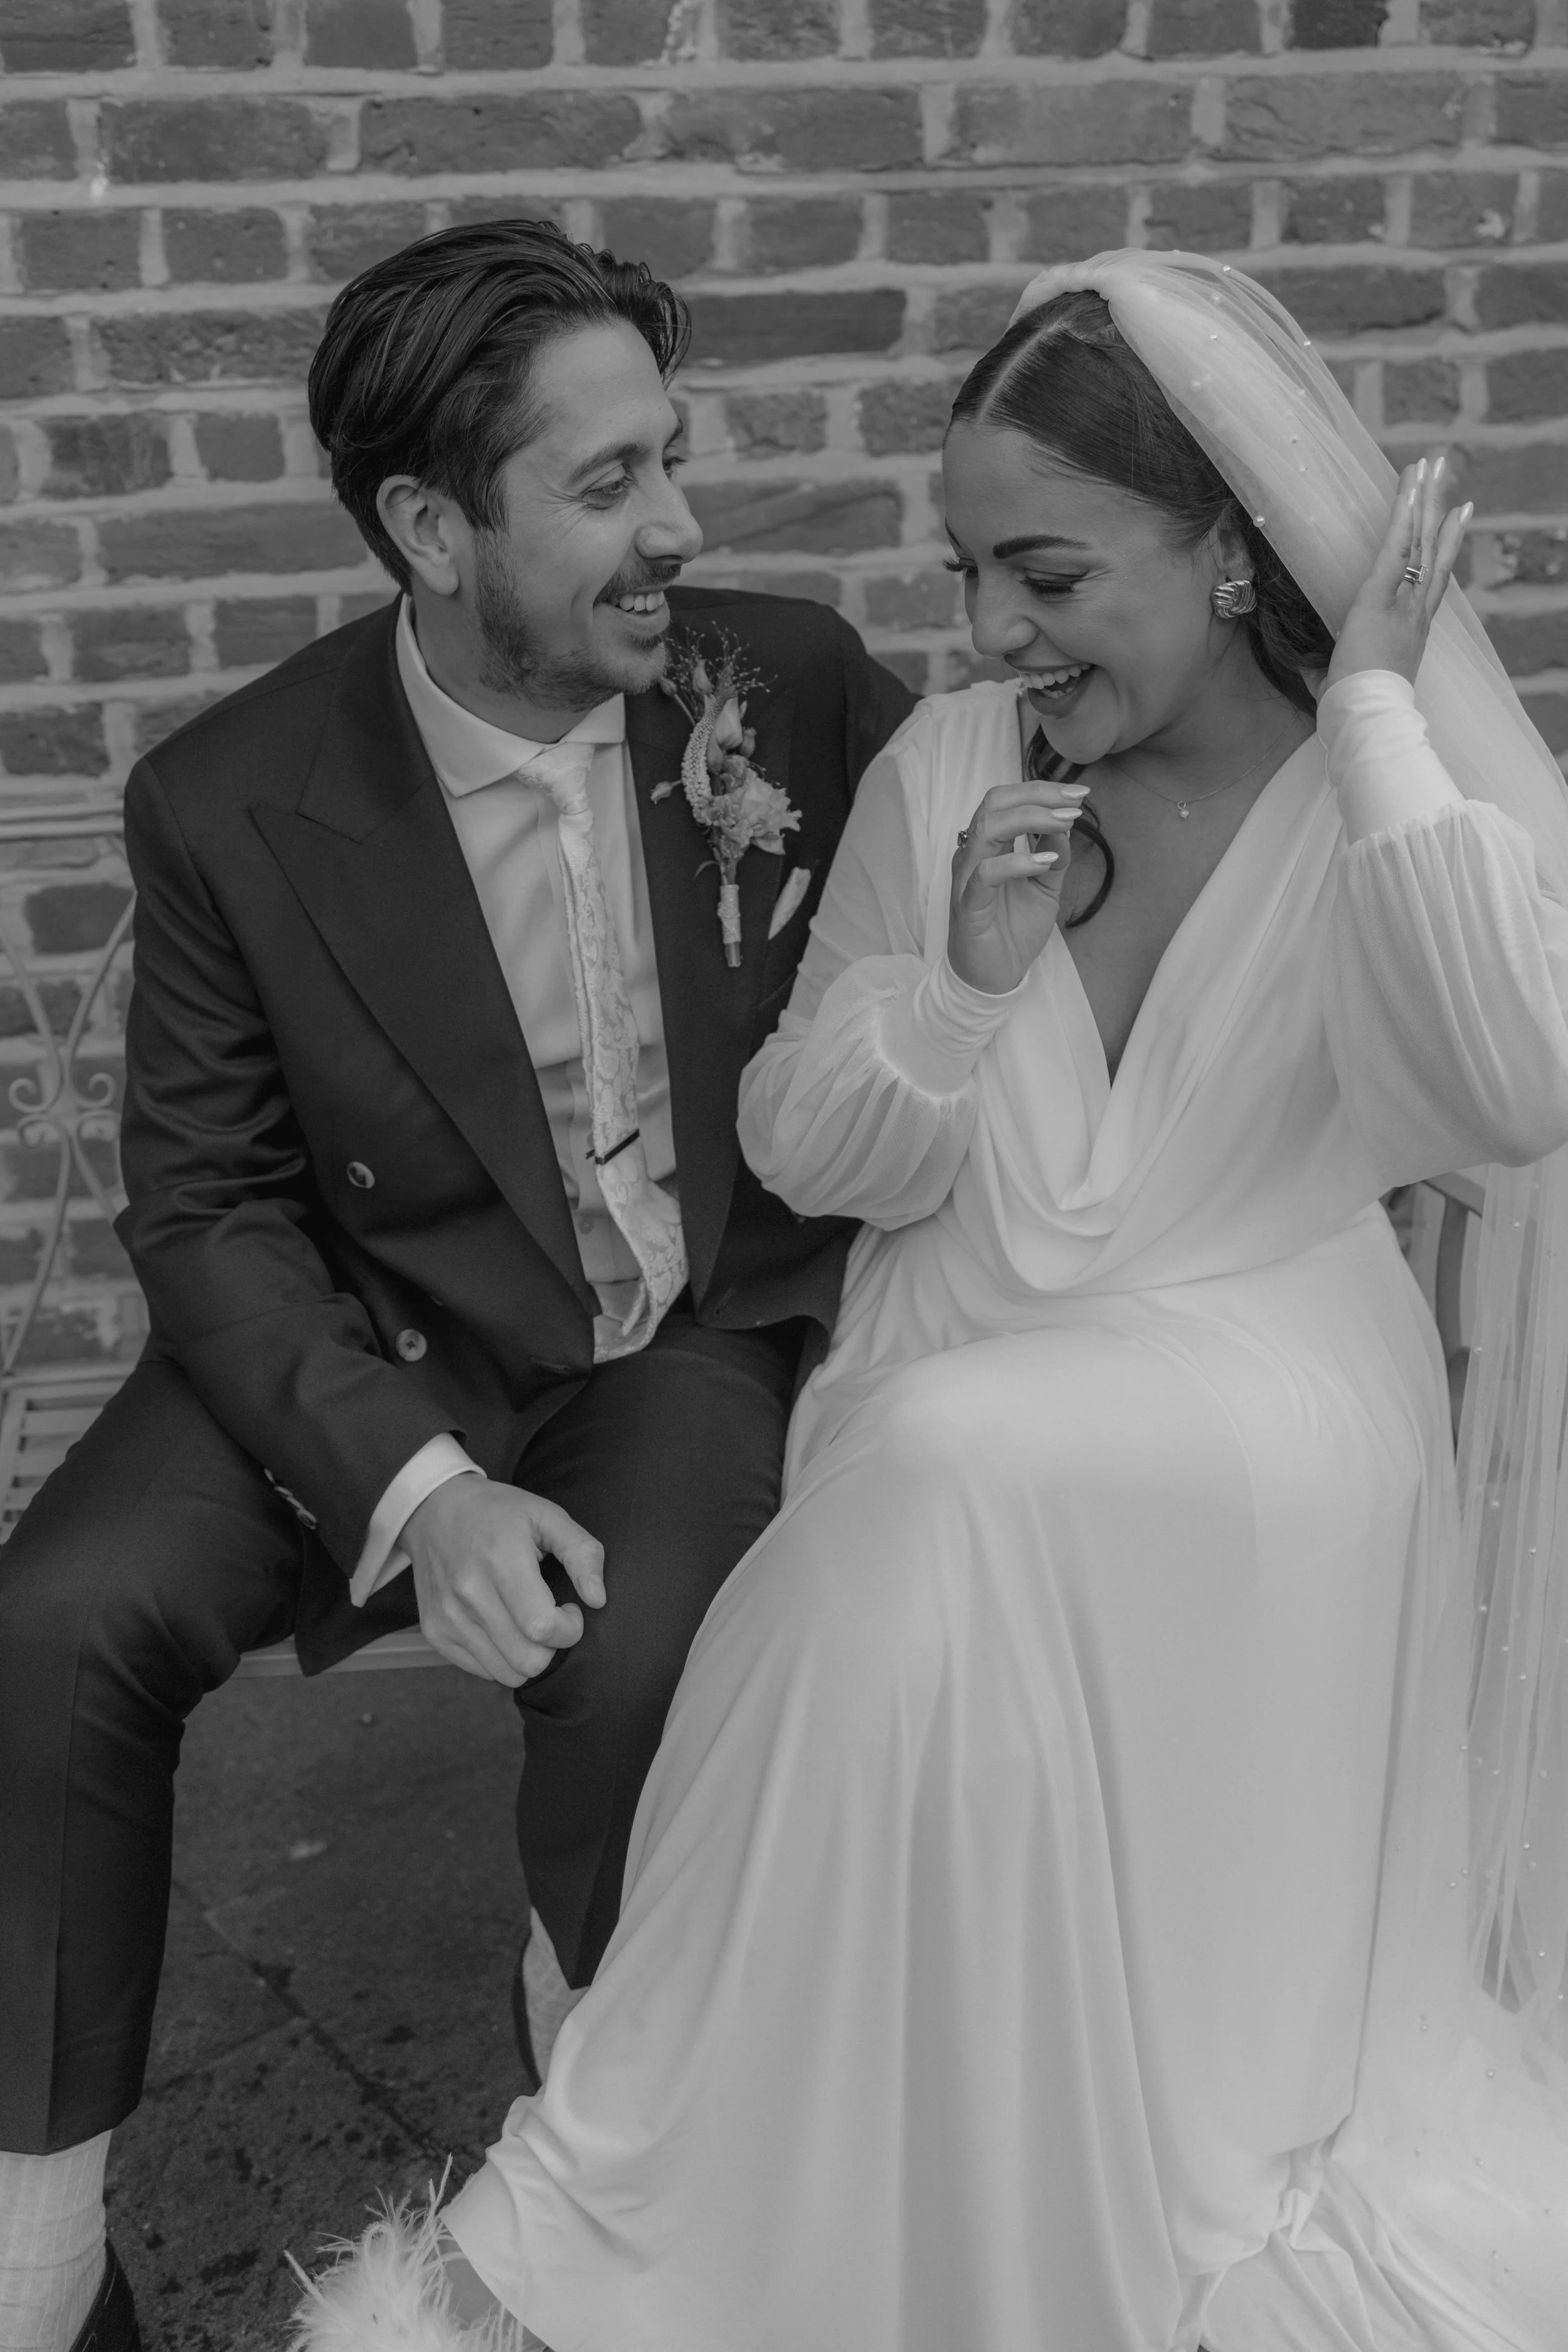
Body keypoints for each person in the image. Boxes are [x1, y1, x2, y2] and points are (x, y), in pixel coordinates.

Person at [293, 252, 1568, 2352]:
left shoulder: (1381, 789)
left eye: (1045, 574)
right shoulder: (957, 761)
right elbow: (806, 1147)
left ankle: (606, 2213)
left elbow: (1515, 1091)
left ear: (1227, 551)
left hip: (1257, 1385)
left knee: (954, 1472)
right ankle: (685, 2191)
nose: (988, 632)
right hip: (953, 1356)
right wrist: (964, 988)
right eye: (969, 570)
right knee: (937, 1476)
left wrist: (1370, 722)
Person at [0, 218, 913, 2352]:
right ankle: (39, 2241)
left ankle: (600, 2095)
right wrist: (419, 1494)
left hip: (666, 1334)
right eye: (606, 484)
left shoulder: (782, 683)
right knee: (56, 1624)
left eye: (669, 457)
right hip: (361, 1320)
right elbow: (209, 1208)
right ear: (431, 528)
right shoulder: (232, 795)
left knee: (644, 1645)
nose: (677, 526)